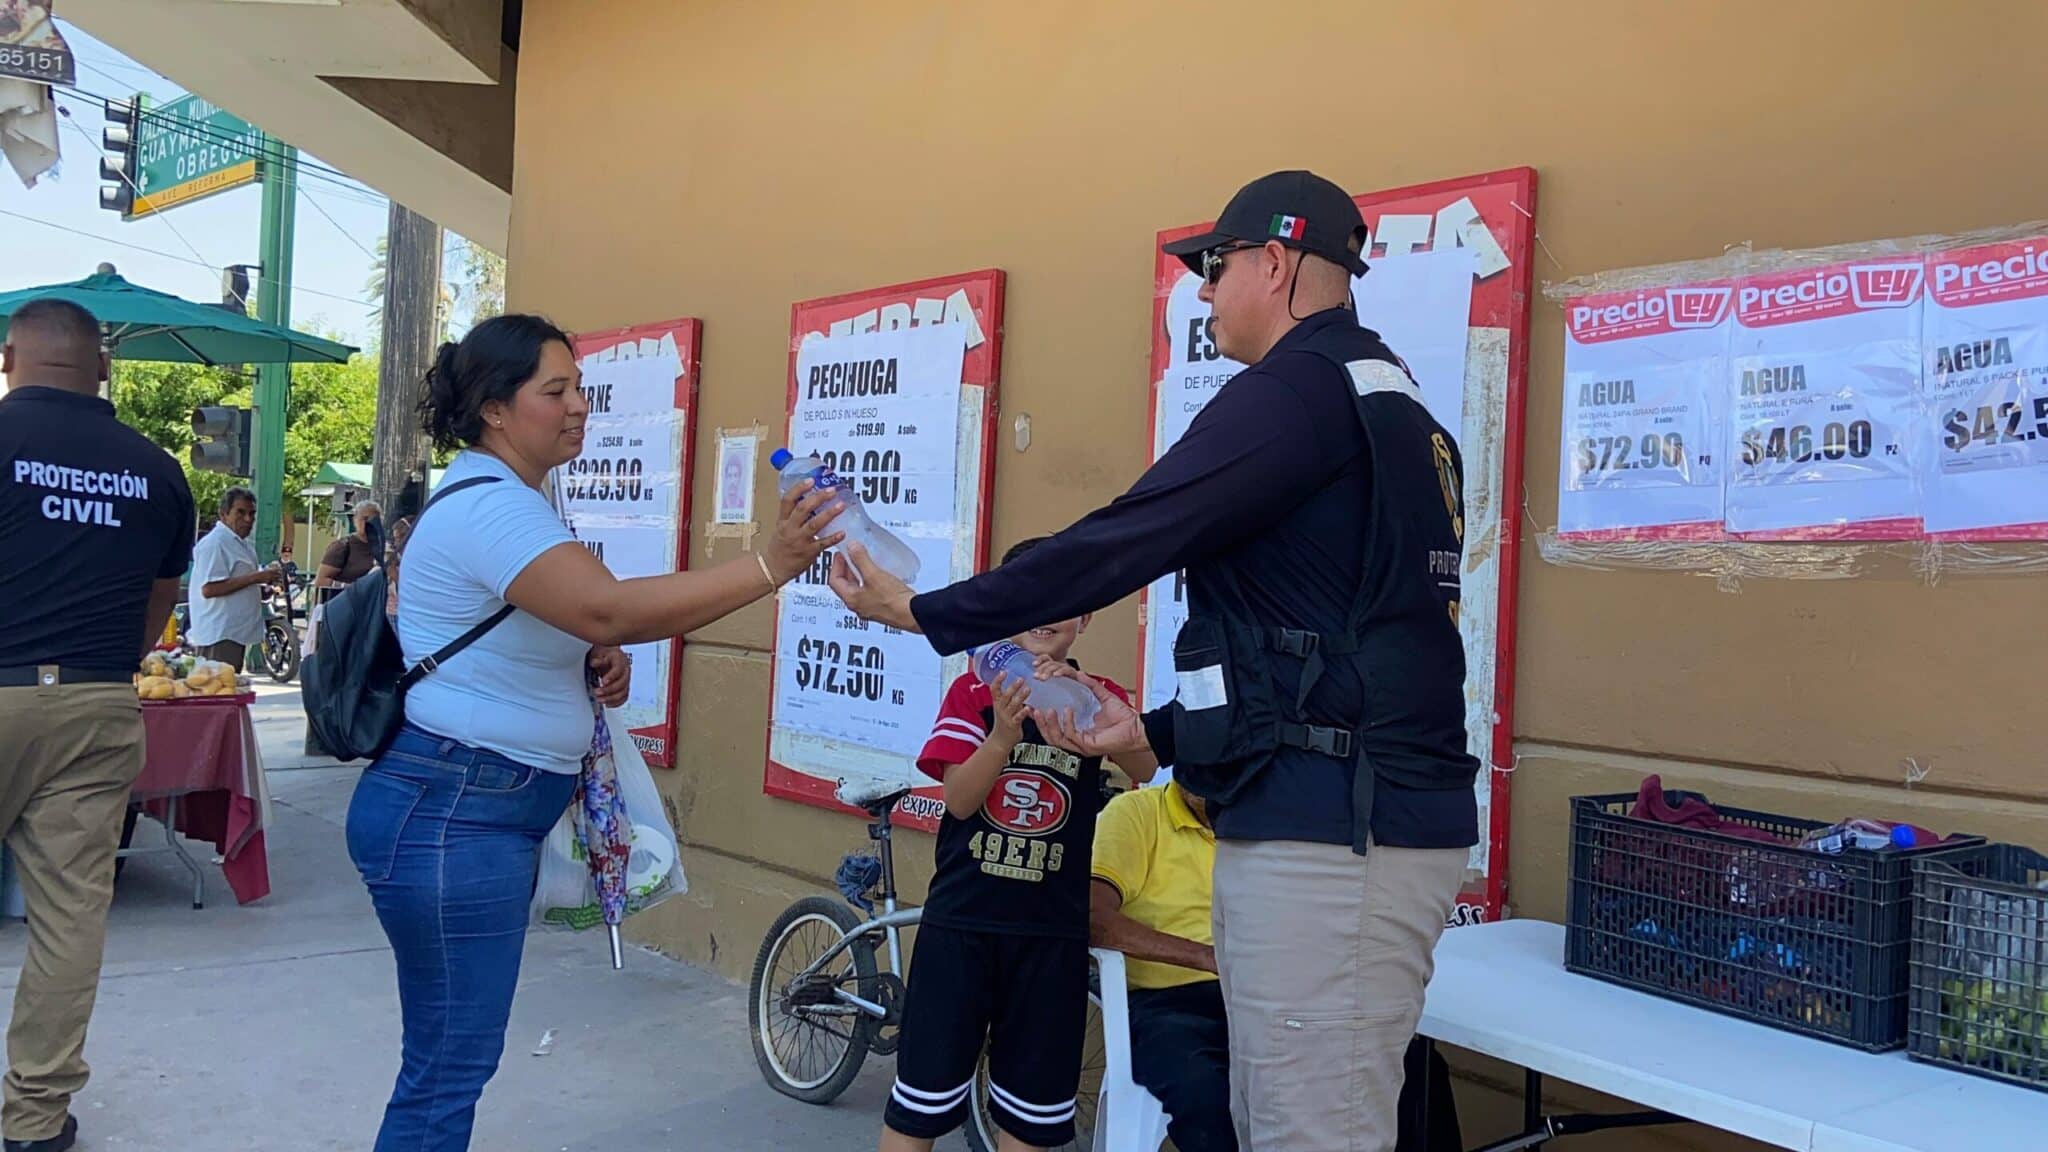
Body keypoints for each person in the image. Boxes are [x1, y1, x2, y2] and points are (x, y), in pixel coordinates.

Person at [831, 169, 1479, 1151]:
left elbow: (1130, 534)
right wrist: (1155, 733)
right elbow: (1328, 642)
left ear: (1276, 262)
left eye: (1214, 268)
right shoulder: (1389, 401)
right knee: (1283, 1124)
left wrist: (923, 611)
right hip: (1332, 815)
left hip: (1334, 836)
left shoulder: (1300, 391)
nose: (1202, 292)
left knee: (1313, 1134)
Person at [345, 313, 844, 1152]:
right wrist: (771, 564)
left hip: (471, 807)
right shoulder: (490, 508)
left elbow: (557, 625)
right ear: (496, 410)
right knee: (446, 1069)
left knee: (452, 1061)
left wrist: (589, 659)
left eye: (580, 387)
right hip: (452, 812)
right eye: (557, 390)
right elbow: (603, 603)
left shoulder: (512, 500)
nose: (581, 405)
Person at [882, 539, 1157, 1152]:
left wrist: (1105, 708)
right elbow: (958, 801)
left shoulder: (1093, 698)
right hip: (963, 924)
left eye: (1064, 598)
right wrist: (1003, 736)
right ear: (1000, 607)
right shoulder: (973, 695)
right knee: (919, 1109)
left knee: (1031, 1118)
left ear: (1085, 618)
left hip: (1051, 936)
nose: (1045, 609)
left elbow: (1144, 764)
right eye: (1027, 594)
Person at [0, 297, 194, 1152]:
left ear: (10, 360)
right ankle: (34, 1120)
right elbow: (155, 613)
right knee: (70, 919)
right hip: (95, 700)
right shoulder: (157, 473)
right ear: (104, 369)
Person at [1091, 780, 1462, 1152]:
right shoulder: (1136, 814)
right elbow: (1091, 918)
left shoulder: (1278, 819)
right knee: (1209, 1093)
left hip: (1278, 989)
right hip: (1171, 1002)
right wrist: (1209, 956)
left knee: (1413, 1066)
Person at [186, 486, 279, 671]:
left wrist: (263, 585)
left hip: (235, 634)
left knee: (229, 694)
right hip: (220, 635)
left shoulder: (241, 544)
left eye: (252, 514)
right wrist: (256, 577)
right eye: (241, 513)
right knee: (218, 695)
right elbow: (209, 589)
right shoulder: (215, 543)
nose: (248, 519)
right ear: (224, 514)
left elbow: (239, 583)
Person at [314, 500, 382, 604]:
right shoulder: (342, 546)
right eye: (364, 518)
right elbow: (321, 581)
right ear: (355, 520)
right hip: (345, 606)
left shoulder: (385, 547)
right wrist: (352, 588)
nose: (368, 523)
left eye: (373, 520)